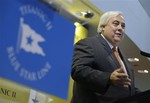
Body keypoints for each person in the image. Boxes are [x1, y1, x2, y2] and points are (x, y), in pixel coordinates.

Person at [70, 11, 140, 103]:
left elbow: (128, 88)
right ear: (102, 27)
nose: (120, 28)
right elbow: (78, 70)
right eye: (116, 24)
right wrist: (108, 78)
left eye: (123, 26)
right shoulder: (88, 44)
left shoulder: (124, 58)